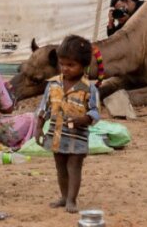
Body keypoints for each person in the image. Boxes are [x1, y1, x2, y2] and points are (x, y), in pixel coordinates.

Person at [35, 35, 100, 214]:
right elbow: (44, 108)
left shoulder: (89, 89)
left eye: (71, 65)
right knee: (60, 166)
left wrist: (84, 119)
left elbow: (95, 112)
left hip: (77, 137)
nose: (65, 68)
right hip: (56, 135)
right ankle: (64, 197)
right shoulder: (53, 84)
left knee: (74, 166)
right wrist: (39, 127)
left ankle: (72, 199)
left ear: (84, 66)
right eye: (62, 64)